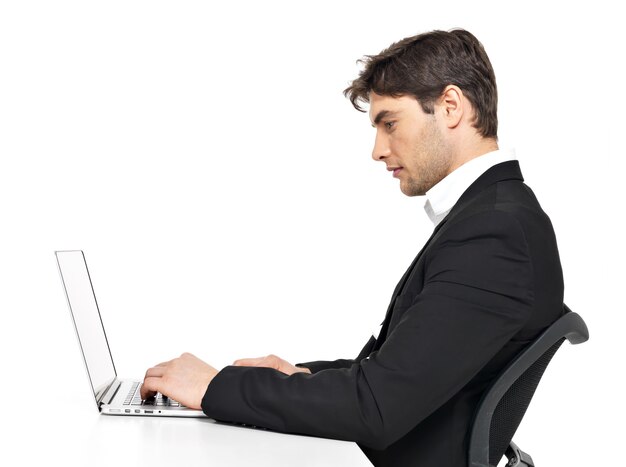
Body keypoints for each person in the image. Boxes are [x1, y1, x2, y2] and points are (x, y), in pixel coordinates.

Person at [141, 28, 565, 467]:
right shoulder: (491, 216)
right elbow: (404, 370)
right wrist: (300, 377)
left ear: (450, 106)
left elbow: (377, 407)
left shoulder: (495, 233)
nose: (378, 150)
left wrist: (214, 387)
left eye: (390, 123)